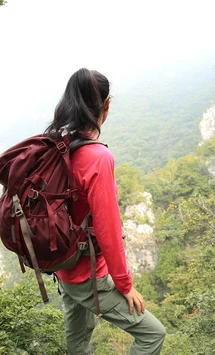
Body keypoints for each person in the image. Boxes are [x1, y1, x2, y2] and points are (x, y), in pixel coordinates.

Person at [46, 68, 166, 355]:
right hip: (89, 275)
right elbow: (108, 230)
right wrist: (125, 285)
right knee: (153, 335)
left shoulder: (55, 145)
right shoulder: (97, 157)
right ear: (106, 105)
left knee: (77, 344)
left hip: (64, 265)